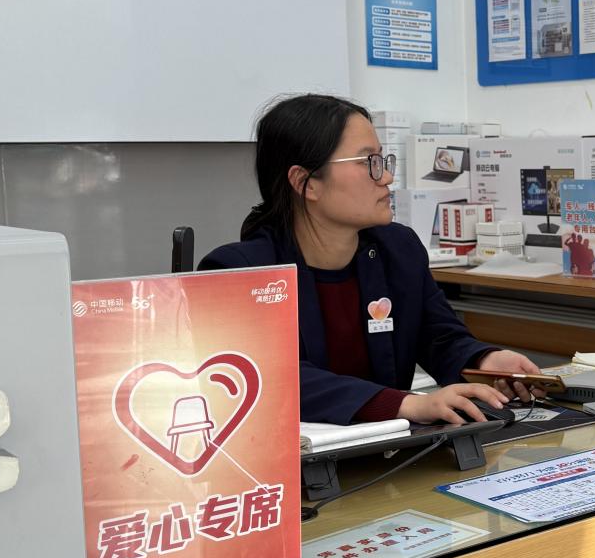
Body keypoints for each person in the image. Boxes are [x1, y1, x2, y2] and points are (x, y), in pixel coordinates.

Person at [201, 94, 542, 425]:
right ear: (306, 183)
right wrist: (405, 404)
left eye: (382, 160)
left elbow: (439, 337)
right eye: (369, 163)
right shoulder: (239, 273)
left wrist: (486, 360)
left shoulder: (399, 249)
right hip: (298, 460)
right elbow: (273, 376)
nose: (387, 177)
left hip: (392, 451)